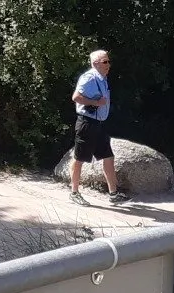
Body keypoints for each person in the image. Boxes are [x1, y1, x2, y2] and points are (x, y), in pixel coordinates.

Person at [69, 50, 122, 205]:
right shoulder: (89, 78)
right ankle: (74, 193)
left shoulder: (102, 78)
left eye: (108, 61)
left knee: (108, 156)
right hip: (87, 123)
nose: (108, 65)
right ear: (95, 64)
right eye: (105, 62)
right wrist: (95, 103)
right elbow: (76, 97)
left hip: (99, 124)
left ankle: (114, 194)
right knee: (79, 158)